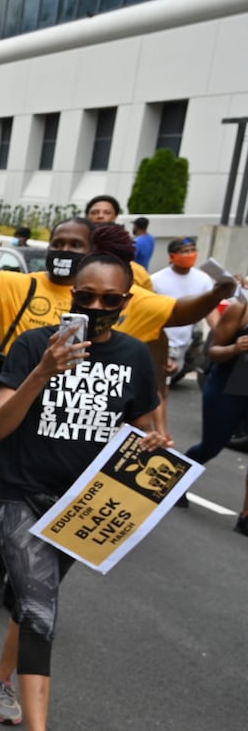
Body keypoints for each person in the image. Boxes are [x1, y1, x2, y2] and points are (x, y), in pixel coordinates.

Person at [0, 215, 232, 607]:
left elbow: (178, 313)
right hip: (14, 427)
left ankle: (28, 589)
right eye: (59, 241)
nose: (66, 250)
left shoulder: (121, 294)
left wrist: (217, 293)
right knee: (5, 509)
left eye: (77, 245)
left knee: (60, 520)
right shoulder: (19, 285)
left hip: (81, 439)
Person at [0, 253, 165, 731]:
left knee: (35, 600)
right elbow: (0, 428)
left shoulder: (134, 357)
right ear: (72, 296)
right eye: (87, 296)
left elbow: (140, 426)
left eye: (111, 299)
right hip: (21, 496)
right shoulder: (35, 345)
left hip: (81, 508)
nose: (98, 307)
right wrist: (43, 371)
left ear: (126, 302)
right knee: (40, 606)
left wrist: (152, 440)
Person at [181, 291, 248, 535]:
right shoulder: (240, 310)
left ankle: (246, 516)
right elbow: (213, 351)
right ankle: (175, 483)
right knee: (211, 446)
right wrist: (235, 347)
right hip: (228, 388)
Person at [148, 237, 217, 385]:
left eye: (193, 250)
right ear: (172, 256)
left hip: (185, 342)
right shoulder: (155, 280)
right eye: (185, 251)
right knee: (159, 384)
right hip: (162, 340)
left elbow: (210, 309)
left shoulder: (203, 279)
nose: (190, 254)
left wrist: (220, 331)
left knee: (167, 381)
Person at [84, 195, 151, 290]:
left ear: (115, 217)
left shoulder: (138, 273)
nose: (100, 216)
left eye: (106, 212)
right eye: (95, 212)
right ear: (87, 216)